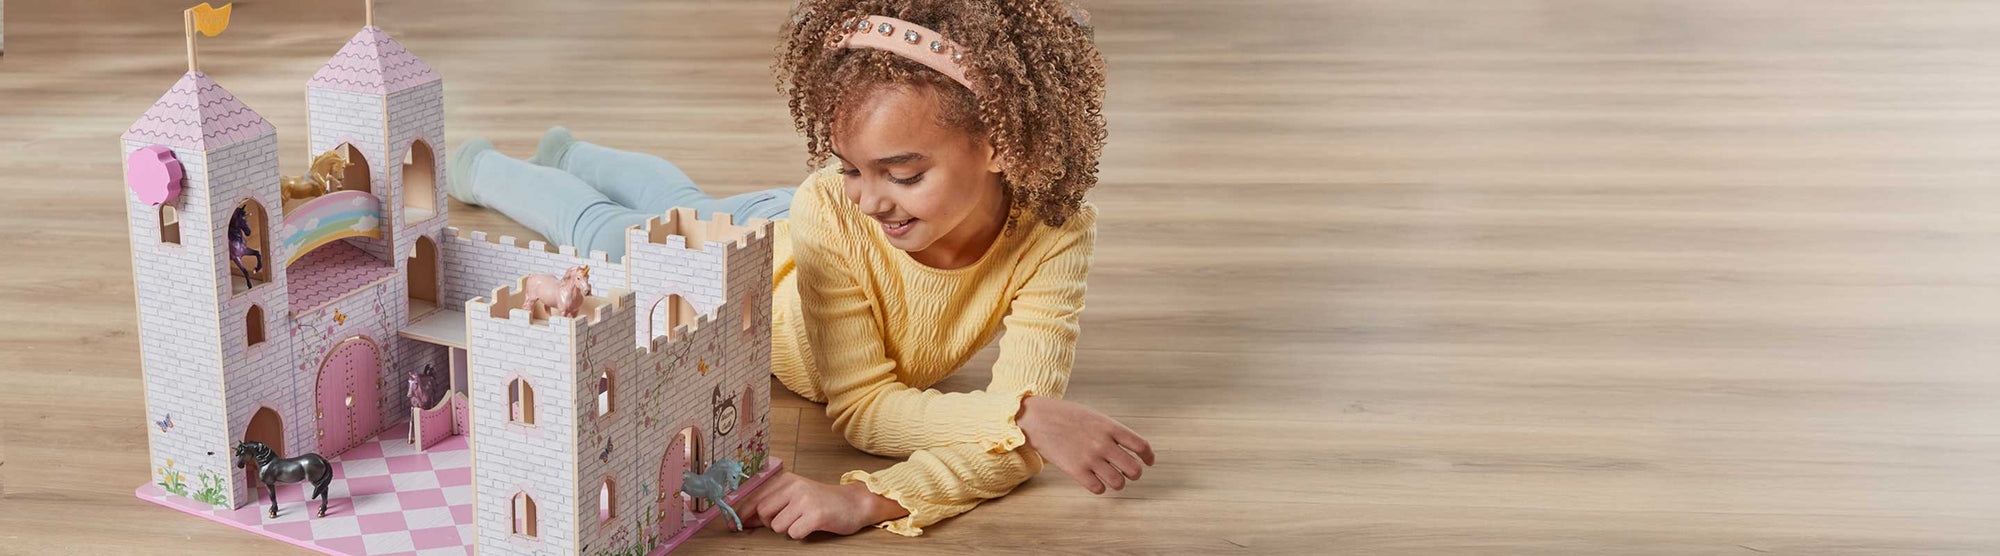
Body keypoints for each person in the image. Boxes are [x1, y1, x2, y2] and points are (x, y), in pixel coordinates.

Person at [446, 0, 1152, 539]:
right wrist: (1023, 417)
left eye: (902, 174)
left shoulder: (1055, 237)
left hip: (794, 225)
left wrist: (868, 500)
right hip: (788, 239)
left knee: (685, 200)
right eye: (852, 166)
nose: (872, 196)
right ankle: (482, 166)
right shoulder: (840, 203)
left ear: (1001, 145)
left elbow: (1011, 445)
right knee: (607, 232)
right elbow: (869, 408)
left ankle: (569, 153)